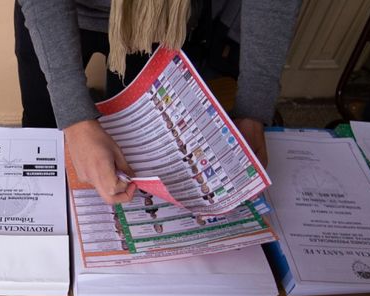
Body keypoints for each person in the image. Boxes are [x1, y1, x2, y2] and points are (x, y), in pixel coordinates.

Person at [15, 0, 302, 204]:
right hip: (51, 15)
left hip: (161, 24)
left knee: (141, 163)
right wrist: (75, 120)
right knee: (42, 139)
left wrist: (254, 107)